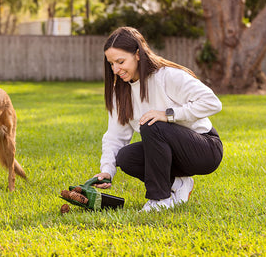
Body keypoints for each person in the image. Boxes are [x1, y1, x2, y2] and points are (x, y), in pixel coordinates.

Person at [93, 27, 223, 212]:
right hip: (172, 154)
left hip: (204, 149)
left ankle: (159, 199)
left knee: (151, 123)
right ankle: (177, 184)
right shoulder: (119, 93)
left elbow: (213, 103)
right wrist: (107, 170)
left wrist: (168, 115)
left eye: (120, 62)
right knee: (126, 157)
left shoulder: (167, 76)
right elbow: (115, 137)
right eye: (111, 64)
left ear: (137, 54)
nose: (115, 69)